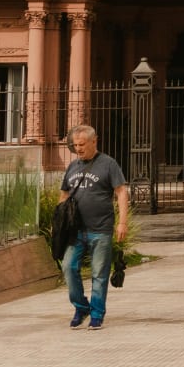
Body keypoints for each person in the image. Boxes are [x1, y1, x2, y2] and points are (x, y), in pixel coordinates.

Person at [58, 124, 129, 330]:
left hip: (101, 228)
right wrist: (60, 221)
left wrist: (122, 222)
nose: (78, 149)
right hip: (75, 231)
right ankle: (81, 307)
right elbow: (64, 194)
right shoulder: (72, 166)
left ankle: (97, 313)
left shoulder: (108, 164)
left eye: (82, 144)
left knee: (99, 273)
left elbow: (121, 192)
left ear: (94, 141)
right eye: (75, 145)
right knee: (68, 267)